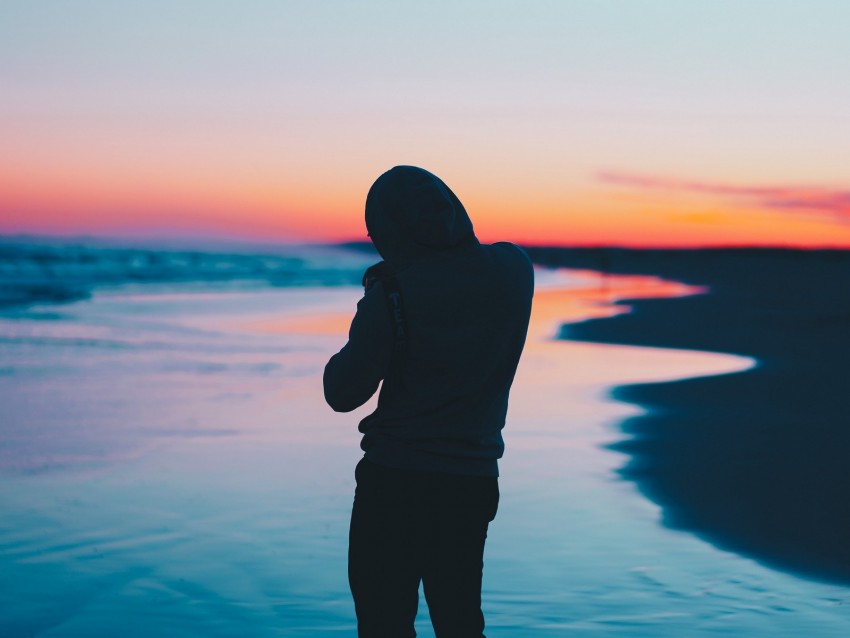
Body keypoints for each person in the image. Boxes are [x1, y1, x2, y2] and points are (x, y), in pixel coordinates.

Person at [324, 165, 534, 637]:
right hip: (471, 481)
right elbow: (457, 284)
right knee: (460, 622)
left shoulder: (392, 295)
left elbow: (341, 393)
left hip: (395, 482)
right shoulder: (513, 270)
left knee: (384, 624)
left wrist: (375, 301)